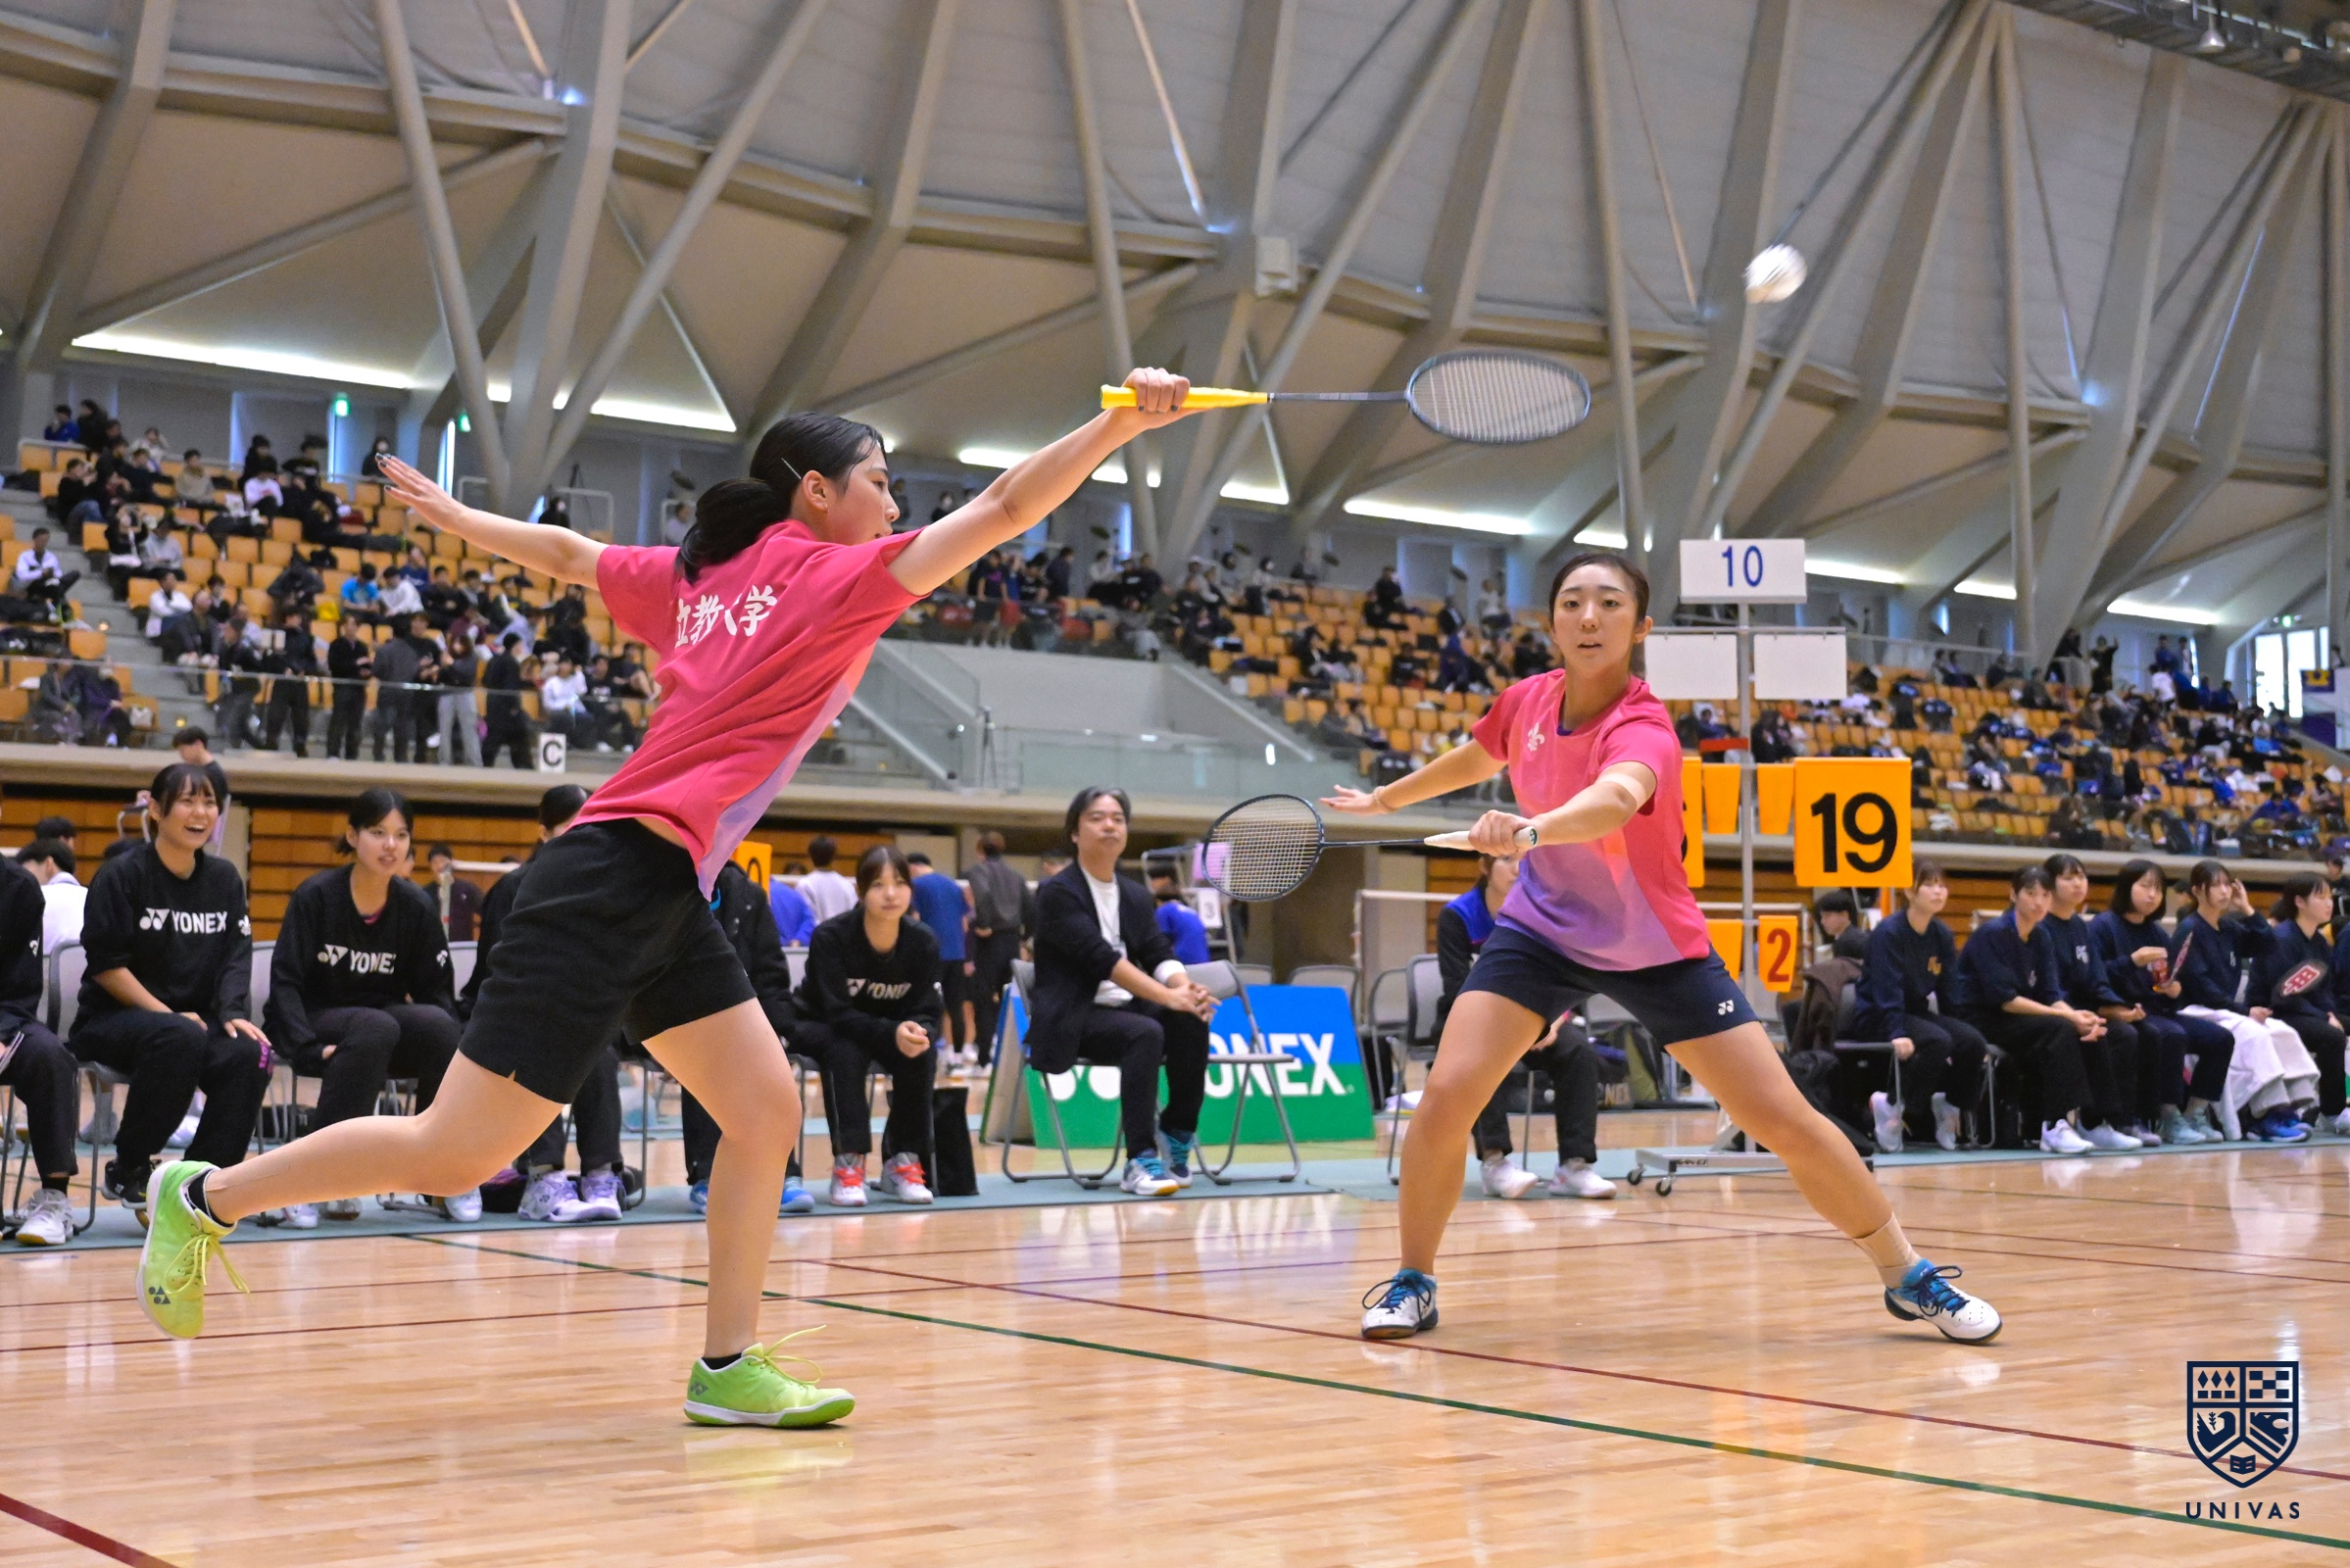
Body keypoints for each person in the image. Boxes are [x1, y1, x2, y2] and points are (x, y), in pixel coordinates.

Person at [133, 365, 1208, 1431]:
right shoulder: (840, 579)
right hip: (609, 881)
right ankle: (203, 1195)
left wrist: (462, 519)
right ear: (815, 492)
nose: (894, 505)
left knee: (763, 1109)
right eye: (879, 482)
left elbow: (569, 556)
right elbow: (1007, 507)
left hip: (664, 889)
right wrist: (1114, 423)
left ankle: (726, 1366)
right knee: (458, 1148)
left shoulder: (701, 577)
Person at [1345, 552, 1999, 1345]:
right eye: (1572, 602)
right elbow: (1483, 751)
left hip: (1653, 945)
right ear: (1552, 621)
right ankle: (1414, 1280)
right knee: (1447, 1094)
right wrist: (1388, 797)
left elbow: (1612, 800)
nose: (1589, 617)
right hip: (1541, 930)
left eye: (1609, 603)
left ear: (1641, 627)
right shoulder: (1527, 702)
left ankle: (1908, 1274)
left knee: (1781, 1117)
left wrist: (1530, 830)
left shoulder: (1645, 727)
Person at [69, 763, 269, 1216]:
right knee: (181, 1036)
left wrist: (232, 1012)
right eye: (187, 801)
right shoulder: (121, 875)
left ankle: (201, 1181)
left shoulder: (224, 880)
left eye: (209, 802)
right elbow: (106, 967)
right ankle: (131, 1165)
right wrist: (167, 1014)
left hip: (191, 1025)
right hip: (112, 1022)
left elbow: (236, 956)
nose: (200, 812)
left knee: (252, 1053)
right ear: (157, 811)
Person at [263, 791, 469, 1227]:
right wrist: (304, 1047)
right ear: (353, 836)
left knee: (440, 1027)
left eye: (400, 835)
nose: (390, 845)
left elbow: (435, 993)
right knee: (376, 1026)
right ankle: (309, 1175)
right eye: (378, 832)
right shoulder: (316, 896)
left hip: (378, 1027)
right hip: (315, 1018)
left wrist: (448, 1049)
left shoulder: (415, 905)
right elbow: (285, 983)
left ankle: (438, 1169)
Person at [1027, 786, 1219, 1196]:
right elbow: (1101, 959)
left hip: (1125, 1010)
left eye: (1117, 818)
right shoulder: (1057, 893)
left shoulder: (1134, 894)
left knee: (1190, 1019)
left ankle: (1176, 1132)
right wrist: (1166, 997)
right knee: (1144, 1032)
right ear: (1075, 832)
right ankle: (1140, 1159)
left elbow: (1157, 951)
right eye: (1097, 818)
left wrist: (1185, 991)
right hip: (1073, 1017)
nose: (1109, 825)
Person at [1437, 853, 1614, 1200]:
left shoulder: (1542, 916)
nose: (1519, 867)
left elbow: (1564, 978)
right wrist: (1512, 1024)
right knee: (1480, 1054)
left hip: (1535, 1017)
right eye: (1507, 858)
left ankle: (1574, 1166)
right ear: (1485, 867)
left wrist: (1551, 1020)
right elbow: (1457, 985)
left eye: (1526, 859)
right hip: (1472, 1019)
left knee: (1577, 1050)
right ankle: (1495, 1163)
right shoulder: (1457, 916)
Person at [795, 847, 942, 1206]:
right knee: (845, 1052)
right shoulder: (831, 937)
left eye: (899, 883)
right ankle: (848, 1163)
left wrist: (919, 1032)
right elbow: (837, 1013)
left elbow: (928, 1009)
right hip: (828, 1026)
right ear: (860, 891)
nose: (890, 894)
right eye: (878, 885)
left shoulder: (923, 940)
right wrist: (893, 1032)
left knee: (921, 1054)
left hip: (889, 1030)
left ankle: (902, 1161)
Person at [1953, 867, 2135, 1154]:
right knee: (2059, 1029)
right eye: (2030, 893)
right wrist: (2067, 1017)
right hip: (1983, 1017)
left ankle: (2095, 1123)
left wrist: (2078, 1016)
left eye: (2045, 895)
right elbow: (2006, 1001)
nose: (2038, 902)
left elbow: (2050, 995)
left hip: (2021, 1017)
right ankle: (2054, 1125)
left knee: (2093, 1030)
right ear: (2014, 895)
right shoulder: (1993, 934)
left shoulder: (2041, 936)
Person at [681, 858, 813, 1216]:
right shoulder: (665, 889)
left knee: (769, 1062)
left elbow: (771, 971)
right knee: (704, 1055)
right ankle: (707, 1174)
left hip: (746, 1015)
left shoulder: (749, 895)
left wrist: (778, 1030)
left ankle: (783, 1173)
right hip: (680, 1017)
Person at [2172, 858, 2317, 1142]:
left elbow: (2268, 945)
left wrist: (2248, 909)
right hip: (2195, 1010)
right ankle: (2265, 1116)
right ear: (2197, 891)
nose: (2224, 891)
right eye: (2216, 885)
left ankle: (2293, 1107)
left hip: (2226, 1010)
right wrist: (2244, 1010)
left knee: (2281, 1031)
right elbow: (2201, 987)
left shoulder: (2228, 927)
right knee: (2254, 1033)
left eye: (2227, 884)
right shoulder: (2189, 929)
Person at [2089, 860, 2230, 1145]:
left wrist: (2173, 990)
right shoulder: (2102, 926)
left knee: (2220, 1038)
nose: (2152, 894)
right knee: (2170, 1034)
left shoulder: (2156, 932)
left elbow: (2166, 981)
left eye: (2158, 889)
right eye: (2145, 886)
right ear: (2126, 887)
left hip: (2156, 1010)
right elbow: (2095, 975)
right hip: (2121, 1009)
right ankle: (2166, 1116)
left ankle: (2194, 1113)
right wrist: (2132, 961)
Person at [1848, 861, 1985, 1154]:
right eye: (1929, 884)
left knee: (1972, 1042)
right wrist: (1896, 1031)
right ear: (1910, 891)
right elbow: (1886, 988)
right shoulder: (1889, 932)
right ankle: (1891, 1105)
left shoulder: (1941, 934)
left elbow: (1949, 991)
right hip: (1878, 1015)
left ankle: (1949, 1105)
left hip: (1915, 1013)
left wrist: (1960, 1029)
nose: (1938, 891)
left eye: (1942, 885)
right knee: (1937, 1040)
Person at [2041, 854, 2160, 1147]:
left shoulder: (2080, 926)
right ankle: (2079, 1122)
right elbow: (2048, 987)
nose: (2078, 884)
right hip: (2055, 1011)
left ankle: (2108, 1122)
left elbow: (2096, 977)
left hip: (2085, 1010)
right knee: (2099, 1035)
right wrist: (2078, 1015)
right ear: (2050, 884)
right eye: (2068, 878)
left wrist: (2117, 1007)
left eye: (2081, 877)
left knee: (2126, 1032)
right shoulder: (2041, 927)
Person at [0, 855, 84, 1245]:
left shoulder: (18, 887)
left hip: (5, 1019)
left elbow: (21, 987)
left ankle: (54, 1199)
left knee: (49, 1057)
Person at [2268, 871, 2350, 1137]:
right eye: (2321, 897)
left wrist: (2328, 1012)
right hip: (2276, 1012)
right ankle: (2332, 1111)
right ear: (2299, 901)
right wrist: (2324, 1017)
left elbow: (2324, 990)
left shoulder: (2319, 942)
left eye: (2330, 897)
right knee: (2332, 1037)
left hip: (2309, 1012)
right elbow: (2283, 996)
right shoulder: (2281, 939)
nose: (2329, 903)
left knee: (2336, 1027)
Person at [964, 831, 1028, 1068]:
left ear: (981, 849)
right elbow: (1030, 907)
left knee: (983, 998)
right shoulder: (1017, 875)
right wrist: (1025, 937)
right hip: (1012, 940)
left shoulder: (978, 871)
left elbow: (983, 896)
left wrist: (983, 924)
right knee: (1010, 998)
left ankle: (984, 1056)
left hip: (989, 941)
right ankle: (1012, 1054)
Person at [905, 851, 973, 1064]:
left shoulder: (917, 885)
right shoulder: (953, 885)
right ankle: (957, 1055)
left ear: (913, 867)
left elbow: (915, 919)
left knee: (929, 1004)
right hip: (957, 953)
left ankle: (929, 1052)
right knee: (956, 1006)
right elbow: (965, 923)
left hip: (932, 954)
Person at [17, 838, 87, 953]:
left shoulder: (36, 897)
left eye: (26, 871)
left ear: (48, 864)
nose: (22, 878)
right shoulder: (91, 896)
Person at [324, 617, 369, 760]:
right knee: (338, 721)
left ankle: (352, 755)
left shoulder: (362, 646)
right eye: (350, 624)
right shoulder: (336, 645)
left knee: (355, 724)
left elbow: (366, 665)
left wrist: (367, 672)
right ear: (344, 626)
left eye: (355, 624)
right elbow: (335, 666)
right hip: (342, 687)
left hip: (358, 688)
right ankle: (333, 753)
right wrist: (355, 664)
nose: (352, 627)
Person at [1148, 867, 1211, 964]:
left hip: (1183, 958)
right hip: (1204, 958)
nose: (1152, 883)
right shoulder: (1189, 910)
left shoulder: (1163, 910)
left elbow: (1162, 938)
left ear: (1158, 901)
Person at [12, 525, 79, 611]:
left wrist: (53, 575)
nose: (43, 543)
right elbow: (22, 576)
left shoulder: (51, 557)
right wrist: (41, 573)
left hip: (50, 584)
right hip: (34, 585)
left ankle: (57, 599)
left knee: (75, 574)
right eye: (41, 540)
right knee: (57, 589)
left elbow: (58, 572)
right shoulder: (25, 556)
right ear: (34, 539)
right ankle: (59, 606)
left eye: (45, 540)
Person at [426, 844, 482, 941]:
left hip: (462, 946)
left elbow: (486, 909)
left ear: (451, 862)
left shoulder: (467, 889)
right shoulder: (426, 893)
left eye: (443, 861)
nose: (439, 866)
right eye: (435, 862)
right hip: (435, 946)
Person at [799, 835, 857, 922]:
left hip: (819, 931)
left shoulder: (804, 884)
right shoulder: (846, 885)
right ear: (834, 857)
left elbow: (807, 919)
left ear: (810, 856)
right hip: (842, 930)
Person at [1811, 889, 1870, 963]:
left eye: (1827, 916)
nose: (1822, 921)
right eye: (1822, 917)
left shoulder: (1847, 942)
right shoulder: (1854, 936)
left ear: (1844, 914)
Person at [768, 866, 815, 946]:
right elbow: (809, 922)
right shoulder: (795, 896)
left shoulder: (753, 895)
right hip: (795, 949)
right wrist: (799, 941)